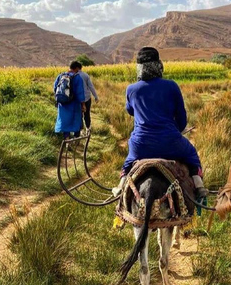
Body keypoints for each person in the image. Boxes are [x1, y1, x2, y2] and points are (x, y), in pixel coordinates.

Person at [112, 47, 207, 198]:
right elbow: (182, 120)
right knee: (191, 153)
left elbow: (130, 111)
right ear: (158, 65)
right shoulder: (171, 86)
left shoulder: (131, 89)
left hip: (141, 146)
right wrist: (174, 130)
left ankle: (121, 185)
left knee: (129, 161)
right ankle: (199, 186)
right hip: (170, 143)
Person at [54, 61, 86, 139]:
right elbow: (80, 92)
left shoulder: (61, 76)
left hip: (62, 104)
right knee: (76, 120)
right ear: (77, 68)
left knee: (65, 121)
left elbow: (55, 88)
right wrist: (83, 104)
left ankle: (66, 138)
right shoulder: (77, 78)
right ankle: (75, 138)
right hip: (74, 104)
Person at [77, 64, 99, 131]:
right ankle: (88, 128)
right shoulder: (85, 75)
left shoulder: (74, 76)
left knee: (79, 114)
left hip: (78, 99)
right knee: (87, 113)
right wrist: (96, 96)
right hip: (87, 98)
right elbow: (91, 87)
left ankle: (80, 129)